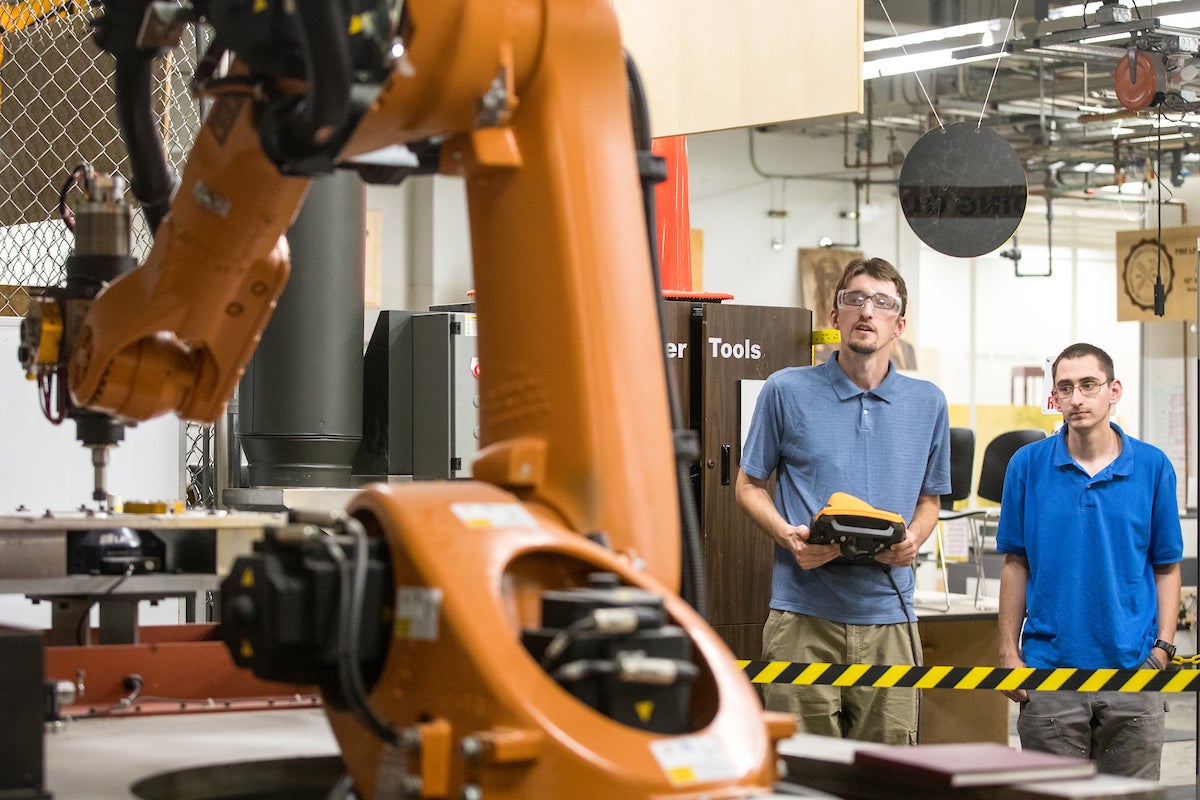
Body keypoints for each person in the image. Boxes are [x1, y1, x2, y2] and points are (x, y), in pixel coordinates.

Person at [735, 256, 951, 744]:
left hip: (890, 620)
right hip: (802, 619)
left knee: (888, 774)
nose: (866, 311)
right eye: (854, 299)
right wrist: (789, 538)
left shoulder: (929, 403)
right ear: (835, 316)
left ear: (899, 323)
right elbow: (747, 486)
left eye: (882, 302)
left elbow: (930, 500)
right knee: (801, 772)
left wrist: (913, 540)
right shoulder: (785, 390)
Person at [997, 342, 1183, 780]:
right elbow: (1015, 562)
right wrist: (1008, 651)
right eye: (1065, 388)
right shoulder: (1026, 465)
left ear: (1113, 390)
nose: (1077, 398)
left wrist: (1162, 650)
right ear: (1054, 398)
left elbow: (1166, 565)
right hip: (1050, 672)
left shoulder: (1154, 467)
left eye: (1088, 385)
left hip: (1134, 673)